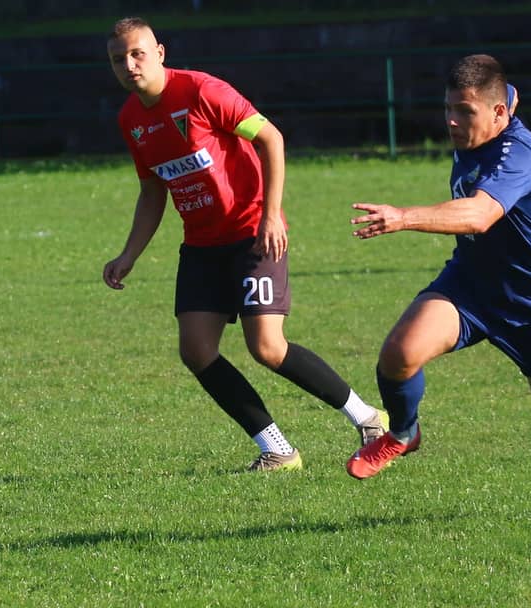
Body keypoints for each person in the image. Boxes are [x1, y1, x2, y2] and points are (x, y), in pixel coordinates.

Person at [344, 54, 531, 519]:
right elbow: (505, 89)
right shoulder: (494, 108)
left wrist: (403, 217)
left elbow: (480, 214)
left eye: (465, 112)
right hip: (471, 284)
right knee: (398, 355)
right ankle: (403, 433)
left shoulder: (516, 155)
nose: (452, 121)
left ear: (499, 114)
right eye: (448, 108)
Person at [102, 16, 387, 472]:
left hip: (252, 232)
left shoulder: (201, 91)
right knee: (196, 350)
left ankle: (368, 418)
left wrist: (271, 214)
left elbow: (271, 137)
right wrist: (129, 254)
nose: (130, 65)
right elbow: (153, 190)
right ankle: (277, 449)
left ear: (160, 53)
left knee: (267, 347)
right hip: (201, 245)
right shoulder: (130, 120)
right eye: (119, 59)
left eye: (138, 53)